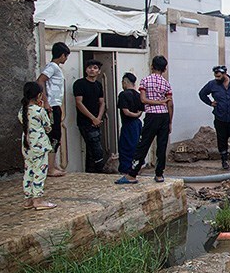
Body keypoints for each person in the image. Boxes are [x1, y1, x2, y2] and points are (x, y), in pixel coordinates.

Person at [115, 55, 174, 185]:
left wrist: (157, 102)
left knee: (143, 145)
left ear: (152, 66)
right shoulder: (166, 83)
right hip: (164, 116)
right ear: (164, 69)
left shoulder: (145, 81)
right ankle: (159, 174)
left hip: (152, 116)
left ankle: (132, 174)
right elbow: (170, 104)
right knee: (162, 146)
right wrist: (170, 121)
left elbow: (143, 100)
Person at [199, 65, 230, 169]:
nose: (217, 78)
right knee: (221, 139)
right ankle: (224, 160)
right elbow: (202, 94)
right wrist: (210, 103)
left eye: (218, 76)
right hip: (220, 117)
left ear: (225, 74)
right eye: (215, 76)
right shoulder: (212, 84)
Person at [18, 82, 57, 210]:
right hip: (39, 145)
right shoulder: (39, 111)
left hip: (27, 145)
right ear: (39, 95)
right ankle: (38, 199)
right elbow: (48, 126)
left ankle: (27, 199)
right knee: (40, 171)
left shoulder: (22, 111)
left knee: (28, 170)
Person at [36, 41, 70, 177]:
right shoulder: (52, 67)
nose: (66, 59)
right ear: (62, 55)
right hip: (51, 105)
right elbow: (40, 80)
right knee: (53, 136)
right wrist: (45, 101)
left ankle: (53, 164)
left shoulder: (55, 68)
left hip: (55, 105)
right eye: (65, 56)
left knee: (57, 135)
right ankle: (50, 168)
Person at [73, 59, 106, 173]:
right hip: (85, 122)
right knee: (96, 149)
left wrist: (99, 118)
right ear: (86, 70)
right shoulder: (79, 84)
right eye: (90, 67)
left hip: (96, 121)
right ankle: (98, 172)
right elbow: (79, 102)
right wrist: (93, 118)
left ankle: (91, 173)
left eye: (95, 68)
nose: (92, 70)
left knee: (92, 149)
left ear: (99, 71)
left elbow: (102, 102)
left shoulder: (98, 85)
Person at [116, 73, 144, 175]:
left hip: (128, 124)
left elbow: (126, 112)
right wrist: (137, 115)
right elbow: (141, 111)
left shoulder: (123, 95)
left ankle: (126, 171)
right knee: (137, 146)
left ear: (125, 82)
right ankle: (137, 167)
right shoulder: (139, 95)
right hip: (137, 124)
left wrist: (133, 115)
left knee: (126, 147)